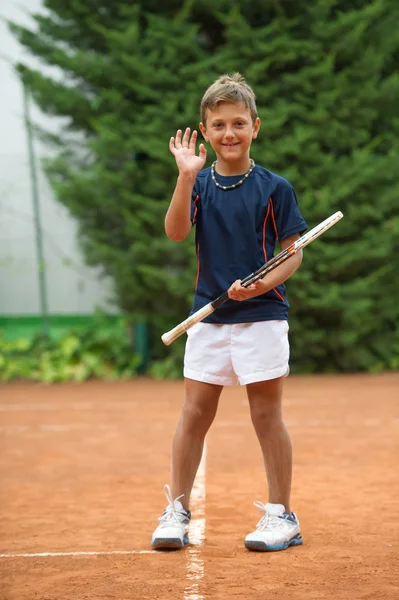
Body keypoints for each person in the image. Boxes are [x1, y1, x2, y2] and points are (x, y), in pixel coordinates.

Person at [151, 73, 308, 552]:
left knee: (266, 415)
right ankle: (176, 510)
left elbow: (294, 251)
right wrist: (183, 176)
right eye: (218, 125)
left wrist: (261, 283)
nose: (229, 134)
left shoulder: (274, 187)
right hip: (208, 318)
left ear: (255, 127)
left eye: (238, 123)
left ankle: (282, 516)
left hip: (262, 318)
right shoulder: (198, 184)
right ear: (205, 130)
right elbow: (176, 232)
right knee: (194, 414)